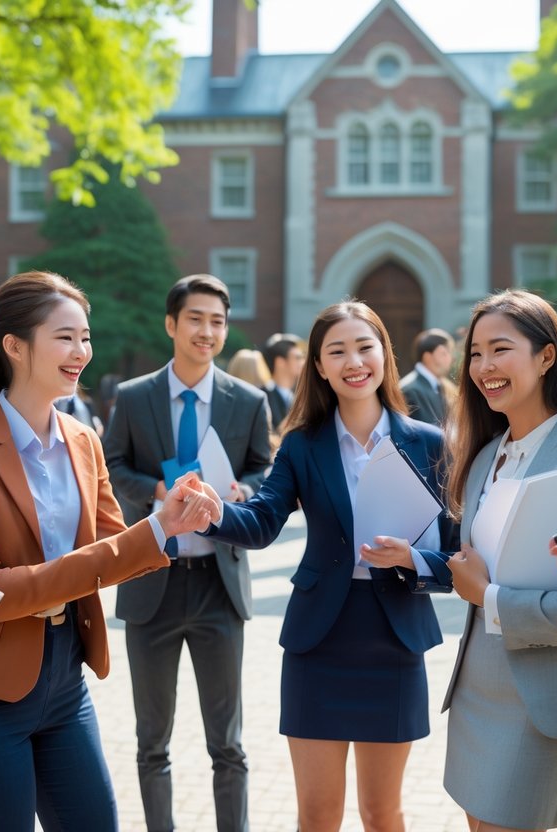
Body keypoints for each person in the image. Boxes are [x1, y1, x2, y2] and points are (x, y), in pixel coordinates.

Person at [0, 270, 213, 831]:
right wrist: (152, 532)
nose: (82, 352)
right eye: (65, 337)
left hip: (66, 682)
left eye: (86, 337)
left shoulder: (83, 439)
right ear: (14, 346)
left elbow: (114, 547)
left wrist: (165, 521)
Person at [190, 300, 456, 832]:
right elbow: (264, 521)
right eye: (337, 351)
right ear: (319, 366)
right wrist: (212, 513)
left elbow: (454, 557)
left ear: (385, 354)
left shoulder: (429, 443)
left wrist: (412, 558)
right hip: (320, 641)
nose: (354, 361)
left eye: (365, 346)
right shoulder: (302, 445)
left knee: (383, 814)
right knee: (317, 815)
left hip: (393, 637)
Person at [440, 289, 557, 832]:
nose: (484, 367)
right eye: (475, 353)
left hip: (538, 700)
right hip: (477, 687)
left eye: (500, 349)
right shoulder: (484, 455)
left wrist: (490, 598)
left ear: (547, 357)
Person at [104, 274, 272, 832]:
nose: (207, 331)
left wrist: (244, 491)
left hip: (218, 586)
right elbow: (112, 465)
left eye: (217, 322)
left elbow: (262, 470)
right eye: (196, 319)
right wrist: (160, 493)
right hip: (152, 581)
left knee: (228, 743)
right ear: (172, 324)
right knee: (152, 742)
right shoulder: (132, 396)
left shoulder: (248, 401)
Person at [399, 328, 455, 427]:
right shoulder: (409, 390)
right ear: (427, 357)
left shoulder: (440, 386)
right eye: (444, 353)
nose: (450, 358)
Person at [262, 332, 306, 433]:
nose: (303, 362)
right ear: (280, 362)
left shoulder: (301, 394)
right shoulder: (262, 397)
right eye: (298, 358)